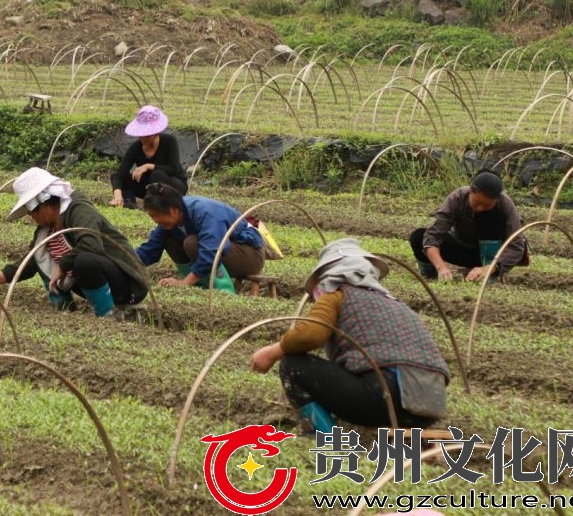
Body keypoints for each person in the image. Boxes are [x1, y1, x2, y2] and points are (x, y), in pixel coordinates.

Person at [250, 238, 450, 432]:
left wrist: (273, 351)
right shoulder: (396, 304)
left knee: (293, 365)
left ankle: (325, 437)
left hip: (387, 399)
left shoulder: (337, 294)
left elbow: (310, 335)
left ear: (328, 276)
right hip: (430, 408)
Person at [0, 167, 147, 318]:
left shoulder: (78, 209)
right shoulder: (47, 230)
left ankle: (107, 316)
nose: (31, 216)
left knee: (84, 260)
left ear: (45, 203)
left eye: (32, 211)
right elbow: (28, 264)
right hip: (101, 280)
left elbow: (91, 244)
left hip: (128, 285)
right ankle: (63, 310)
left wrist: (63, 265)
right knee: (42, 256)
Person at [135, 183, 267, 292]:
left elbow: (213, 249)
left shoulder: (205, 211)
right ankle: (198, 285)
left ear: (174, 209)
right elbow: (150, 250)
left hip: (250, 255)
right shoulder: (169, 222)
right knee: (169, 240)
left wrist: (184, 283)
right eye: (152, 216)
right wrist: (123, 261)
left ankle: (222, 288)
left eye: (156, 215)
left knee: (192, 243)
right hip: (225, 252)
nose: (155, 220)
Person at [409, 170, 529, 282]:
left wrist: (489, 268)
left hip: (493, 256)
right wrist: (441, 267)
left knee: (490, 217)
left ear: (497, 200)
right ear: (471, 190)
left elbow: (517, 246)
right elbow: (433, 236)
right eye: (477, 203)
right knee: (418, 237)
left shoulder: (505, 204)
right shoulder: (458, 198)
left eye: (486, 205)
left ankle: (490, 277)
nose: (480, 208)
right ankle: (430, 276)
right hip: (462, 248)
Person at [108, 105, 188, 209]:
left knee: (157, 174)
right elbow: (119, 173)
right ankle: (127, 202)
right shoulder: (136, 147)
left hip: (173, 185)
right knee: (119, 176)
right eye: (142, 135)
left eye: (148, 135)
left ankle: (161, 205)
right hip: (149, 186)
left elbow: (173, 169)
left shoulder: (169, 141)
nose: (144, 139)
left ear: (156, 133)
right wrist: (118, 195)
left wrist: (148, 166)